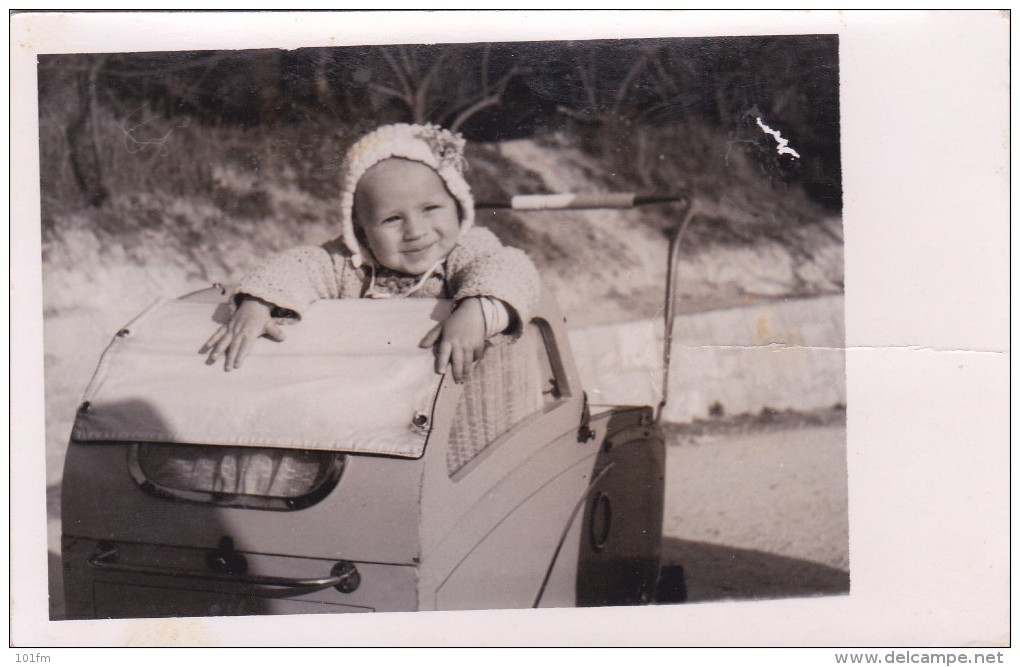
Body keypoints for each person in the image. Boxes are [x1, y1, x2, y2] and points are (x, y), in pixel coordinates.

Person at [202, 123, 540, 383]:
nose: (416, 231)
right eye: (392, 219)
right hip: (374, 395)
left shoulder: (466, 248)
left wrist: (477, 313)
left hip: (457, 398)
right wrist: (258, 303)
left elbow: (507, 268)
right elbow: (301, 266)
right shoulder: (353, 264)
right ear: (361, 229)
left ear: (458, 206)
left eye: (431, 208)